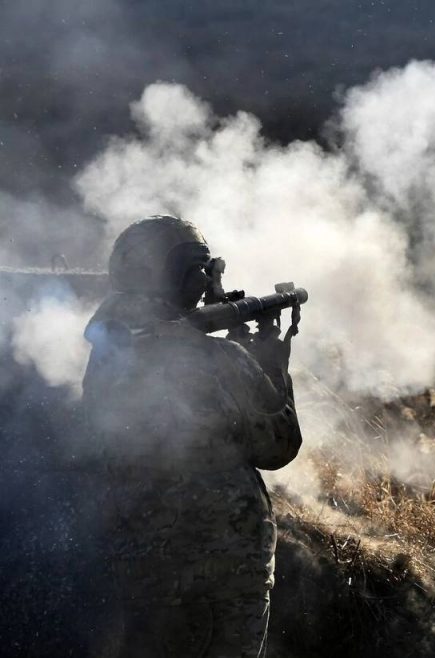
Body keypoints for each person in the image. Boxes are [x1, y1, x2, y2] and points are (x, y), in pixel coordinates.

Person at [81, 215, 302, 657]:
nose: (205, 279)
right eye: (196, 267)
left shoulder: (107, 357)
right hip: (225, 560)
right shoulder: (218, 357)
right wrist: (272, 362)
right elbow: (277, 446)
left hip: (140, 557)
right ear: (166, 276)